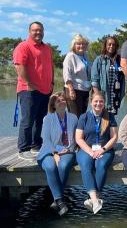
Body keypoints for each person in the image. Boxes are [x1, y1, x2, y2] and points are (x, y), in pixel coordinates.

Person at [13, 21, 54, 160]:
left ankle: (36, 145)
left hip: (45, 90)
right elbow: (19, 66)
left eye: (40, 30)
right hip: (28, 90)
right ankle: (23, 148)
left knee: (40, 119)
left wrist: (51, 82)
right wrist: (29, 83)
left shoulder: (47, 48)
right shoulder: (23, 46)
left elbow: (50, 66)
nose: (38, 32)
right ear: (29, 31)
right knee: (28, 120)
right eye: (35, 30)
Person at [75, 92, 118, 214]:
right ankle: (96, 200)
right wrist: (89, 151)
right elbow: (78, 138)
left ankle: (93, 199)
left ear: (104, 103)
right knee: (85, 165)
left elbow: (114, 137)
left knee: (101, 165)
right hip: (86, 149)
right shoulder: (84, 117)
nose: (98, 104)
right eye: (96, 101)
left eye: (101, 101)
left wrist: (102, 150)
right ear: (91, 102)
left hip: (105, 149)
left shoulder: (110, 116)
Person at [37, 92, 78, 216]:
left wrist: (69, 148)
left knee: (63, 166)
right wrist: (54, 153)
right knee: (50, 166)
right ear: (53, 105)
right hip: (49, 149)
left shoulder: (73, 117)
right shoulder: (48, 118)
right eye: (58, 101)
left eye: (63, 100)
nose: (62, 102)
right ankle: (60, 200)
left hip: (67, 149)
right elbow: (46, 139)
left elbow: (77, 138)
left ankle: (57, 201)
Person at [91, 36, 125, 115]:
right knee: (102, 119)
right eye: (109, 44)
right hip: (104, 95)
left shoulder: (119, 59)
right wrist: (97, 95)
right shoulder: (99, 59)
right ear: (105, 46)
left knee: (112, 120)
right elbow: (94, 80)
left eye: (114, 45)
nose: (111, 46)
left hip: (116, 95)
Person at [63, 34, 91, 117]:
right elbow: (67, 74)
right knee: (75, 117)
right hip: (74, 90)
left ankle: (80, 130)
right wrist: (71, 90)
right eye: (78, 44)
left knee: (82, 117)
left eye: (83, 44)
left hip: (85, 90)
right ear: (74, 45)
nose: (81, 46)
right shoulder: (70, 56)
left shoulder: (85, 56)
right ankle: (73, 130)